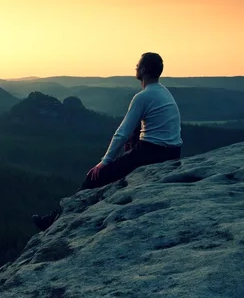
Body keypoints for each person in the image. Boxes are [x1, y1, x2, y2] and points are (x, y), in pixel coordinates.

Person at [32, 52, 183, 231]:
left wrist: (104, 162)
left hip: (152, 152)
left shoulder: (142, 97)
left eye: (137, 65)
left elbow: (121, 133)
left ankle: (54, 220)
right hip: (173, 151)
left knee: (94, 177)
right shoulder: (163, 92)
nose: (135, 67)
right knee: (132, 142)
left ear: (143, 69)